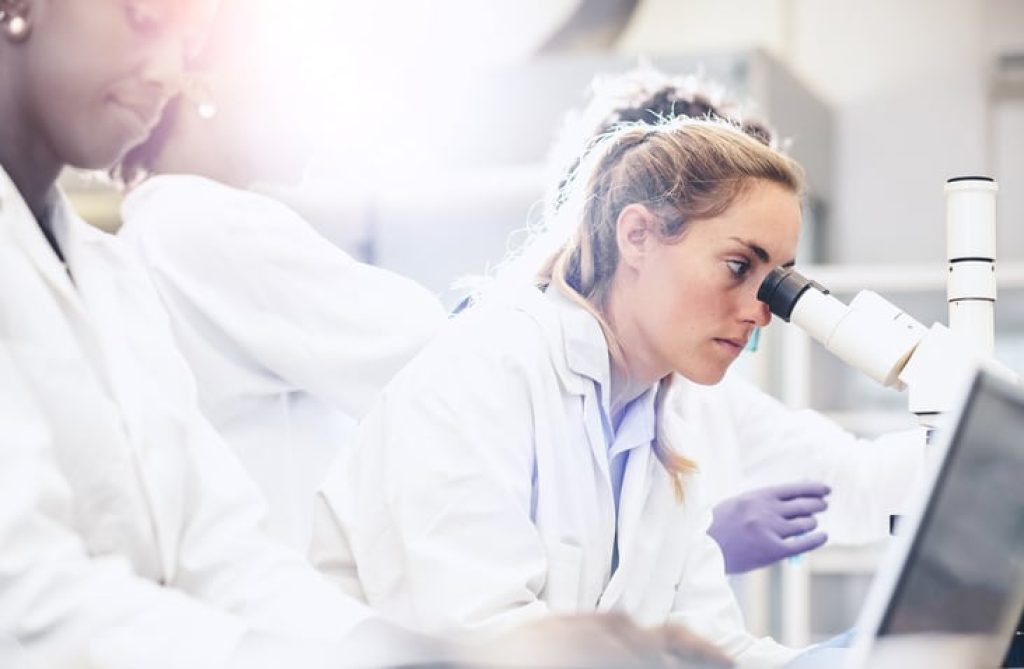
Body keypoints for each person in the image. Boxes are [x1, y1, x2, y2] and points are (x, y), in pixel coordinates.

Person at [0, 1, 429, 666]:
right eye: (146, 19)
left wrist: (436, 655)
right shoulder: (181, 225)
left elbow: (224, 555)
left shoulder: (110, 272)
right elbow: (25, 600)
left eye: (190, 40)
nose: (173, 72)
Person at [310, 117, 808, 666]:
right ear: (637, 236)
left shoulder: (659, 433)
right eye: (739, 266)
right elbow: (481, 635)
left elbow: (713, 648)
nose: (760, 312)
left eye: (775, 285)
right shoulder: (491, 365)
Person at [548, 66, 927, 574]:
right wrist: (700, 549)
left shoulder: (693, 399)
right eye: (737, 264)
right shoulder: (520, 373)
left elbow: (856, 485)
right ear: (634, 226)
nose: (761, 312)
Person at [114, 0, 446, 550]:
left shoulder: (153, 230)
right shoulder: (210, 223)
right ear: (197, 84)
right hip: (294, 589)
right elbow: (423, 350)